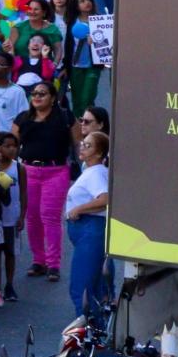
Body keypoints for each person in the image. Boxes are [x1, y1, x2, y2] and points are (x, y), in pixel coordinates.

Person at [15, 80, 74, 280]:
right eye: (34, 94)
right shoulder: (22, 119)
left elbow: (78, 143)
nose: (37, 97)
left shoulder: (65, 117)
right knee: (32, 217)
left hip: (56, 171)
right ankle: (38, 260)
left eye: (42, 93)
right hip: (28, 171)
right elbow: (11, 146)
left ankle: (53, 264)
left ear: (53, 98)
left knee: (50, 217)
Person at [65, 131, 113, 318]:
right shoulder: (91, 171)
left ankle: (88, 336)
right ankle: (99, 335)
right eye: (83, 143)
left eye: (89, 145)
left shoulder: (96, 173)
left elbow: (106, 198)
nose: (82, 147)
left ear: (100, 153)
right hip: (88, 231)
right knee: (94, 290)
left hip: (90, 231)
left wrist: (79, 209)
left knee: (81, 291)